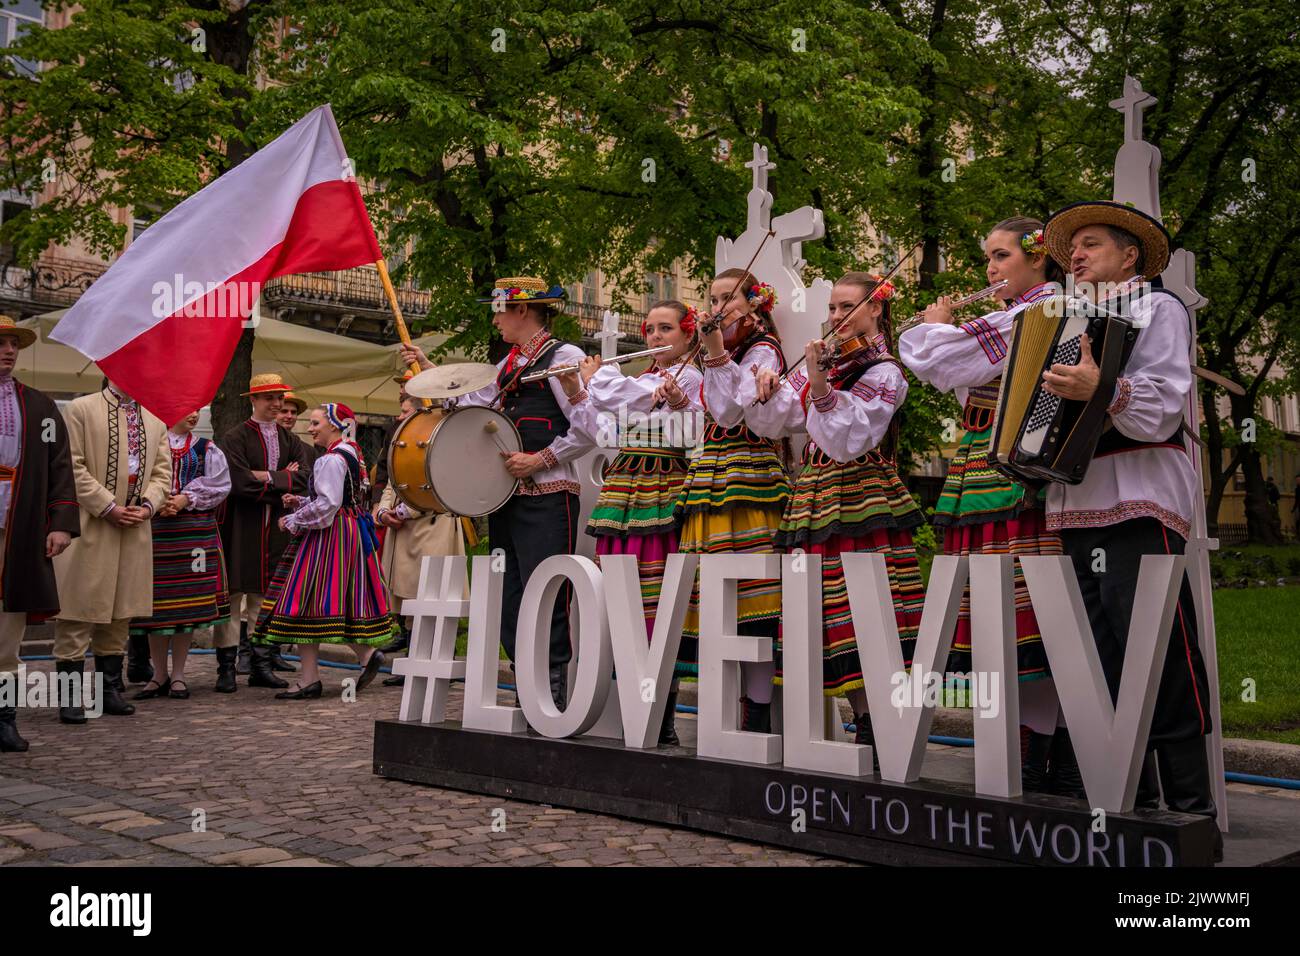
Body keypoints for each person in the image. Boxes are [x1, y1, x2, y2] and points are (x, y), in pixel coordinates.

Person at [1039, 199, 1218, 847]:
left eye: (1089, 244)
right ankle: (1132, 801)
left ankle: (1193, 810)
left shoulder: (1156, 308)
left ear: (1130, 255)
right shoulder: (1064, 321)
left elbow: (1164, 406)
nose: (1076, 256)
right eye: (1072, 249)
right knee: (1104, 658)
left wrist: (1103, 390)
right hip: (1076, 502)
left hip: (1140, 496)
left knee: (1160, 651)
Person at [899, 217, 1074, 794]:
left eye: (1001, 256)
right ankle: (1034, 749)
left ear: (1040, 259)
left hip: (1013, 467)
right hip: (983, 460)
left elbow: (946, 362)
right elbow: (953, 373)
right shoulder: (1013, 313)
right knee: (1000, 608)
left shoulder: (1038, 310)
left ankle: (1043, 750)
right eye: (988, 259)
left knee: (1028, 610)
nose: (991, 269)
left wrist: (934, 327)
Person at [400, 277, 595, 708]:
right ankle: (528, 680)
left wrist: (541, 459)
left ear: (522, 310)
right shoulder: (508, 362)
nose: (495, 318)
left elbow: (589, 427)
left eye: (499, 309)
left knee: (549, 589)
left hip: (548, 491)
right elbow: (473, 404)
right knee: (509, 591)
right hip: (507, 495)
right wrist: (429, 372)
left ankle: (555, 689)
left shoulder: (565, 356)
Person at [751, 273, 923, 762]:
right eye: (831, 307)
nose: (835, 317)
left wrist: (819, 382)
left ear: (877, 310)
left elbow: (848, 439)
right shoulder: (825, 360)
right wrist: (767, 383)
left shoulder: (884, 369)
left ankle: (883, 725)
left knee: (869, 608)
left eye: (848, 307)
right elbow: (776, 416)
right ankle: (863, 723)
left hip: (863, 497)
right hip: (815, 494)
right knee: (826, 612)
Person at [559, 300, 705, 744]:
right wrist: (575, 391)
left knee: (658, 596)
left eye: (667, 329)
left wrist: (595, 377)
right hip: (624, 488)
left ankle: (661, 714)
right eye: (650, 330)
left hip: (662, 488)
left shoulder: (689, 376)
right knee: (620, 591)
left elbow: (619, 396)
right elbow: (604, 426)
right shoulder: (645, 379)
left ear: (688, 336)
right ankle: (634, 709)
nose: (656, 337)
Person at [674, 270, 790, 733]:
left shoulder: (762, 349)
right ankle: (732, 709)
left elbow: (731, 410)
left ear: (755, 304)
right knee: (717, 593)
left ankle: (757, 711)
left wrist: (717, 353)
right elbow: (705, 411)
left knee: (754, 596)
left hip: (750, 474)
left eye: (729, 299)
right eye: (713, 299)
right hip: (713, 470)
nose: (719, 307)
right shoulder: (716, 350)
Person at [252, 403, 394, 698]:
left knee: (305, 602)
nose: (310, 427)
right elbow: (339, 500)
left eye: (316, 423)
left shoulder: (329, 460)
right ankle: (364, 656)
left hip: (328, 537)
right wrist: (302, 502)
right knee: (333, 599)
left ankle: (310, 678)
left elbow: (328, 506)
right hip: (349, 531)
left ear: (335, 424)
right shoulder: (351, 452)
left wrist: (292, 519)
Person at [52, 378, 171, 723]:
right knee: (77, 612)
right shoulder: (80, 409)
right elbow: (71, 467)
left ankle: (109, 691)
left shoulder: (155, 419)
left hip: (135, 528)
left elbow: (163, 474)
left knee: (121, 613)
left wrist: (148, 506)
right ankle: (71, 698)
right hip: (90, 524)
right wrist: (108, 506)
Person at [0, 316, 78, 751]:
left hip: (20, 525)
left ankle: (4, 718)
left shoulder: (42, 408)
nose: (9, 351)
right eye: (1, 344)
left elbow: (59, 469)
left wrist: (61, 523)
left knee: (8, 625)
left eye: (14, 344)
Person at [129, 409, 232, 698]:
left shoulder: (206, 448)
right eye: (187, 408)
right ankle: (158, 673)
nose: (193, 415)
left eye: (197, 410)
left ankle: (178, 675)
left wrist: (186, 498)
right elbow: (132, 476)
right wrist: (156, 501)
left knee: (187, 602)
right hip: (154, 528)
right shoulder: (147, 443)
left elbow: (221, 485)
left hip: (193, 530)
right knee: (157, 605)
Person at [216, 373, 307, 689]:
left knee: (264, 598)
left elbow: (305, 477)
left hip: (277, 528)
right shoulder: (234, 437)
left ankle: (260, 666)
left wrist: (266, 477)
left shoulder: (290, 439)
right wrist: (281, 478)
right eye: (269, 397)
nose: (277, 403)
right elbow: (238, 483)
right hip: (243, 525)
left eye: (279, 397)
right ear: (253, 400)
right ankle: (226, 669)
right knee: (233, 597)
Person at [374, 395, 466, 684]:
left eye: (405, 412)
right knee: (410, 598)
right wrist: (384, 511)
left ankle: (438, 661)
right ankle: (416, 662)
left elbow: (443, 483)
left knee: (433, 594)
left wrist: (404, 511)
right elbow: (393, 480)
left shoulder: (445, 444)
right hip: (405, 530)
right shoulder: (402, 442)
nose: (399, 418)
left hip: (433, 528)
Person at [279, 391, 322, 467]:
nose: (289, 416)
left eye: (293, 412)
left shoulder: (309, 451)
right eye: (284, 411)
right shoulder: (262, 444)